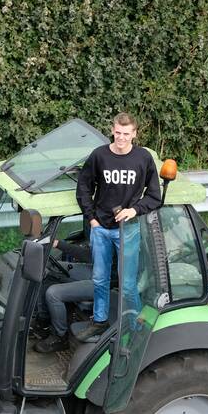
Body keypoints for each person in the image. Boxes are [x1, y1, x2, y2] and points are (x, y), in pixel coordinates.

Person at [75, 112, 162, 339]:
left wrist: (134, 210)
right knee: (100, 279)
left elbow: (154, 195)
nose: (121, 138)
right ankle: (100, 320)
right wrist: (92, 219)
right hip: (101, 229)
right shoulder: (99, 156)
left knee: (128, 285)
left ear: (134, 134)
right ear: (112, 131)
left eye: (126, 134)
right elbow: (83, 187)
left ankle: (136, 326)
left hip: (129, 230)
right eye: (117, 133)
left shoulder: (143, 158)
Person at [33, 237, 93, 353]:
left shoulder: (115, 230)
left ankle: (60, 337)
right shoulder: (101, 225)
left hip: (106, 280)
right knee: (49, 269)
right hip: (96, 268)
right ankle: (43, 323)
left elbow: (90, 256)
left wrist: (59, 244)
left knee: (53, 293)